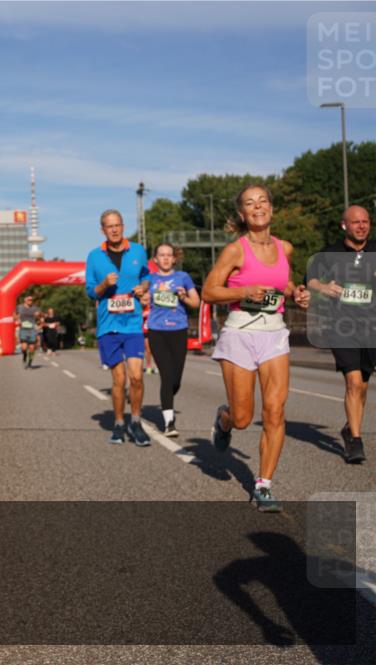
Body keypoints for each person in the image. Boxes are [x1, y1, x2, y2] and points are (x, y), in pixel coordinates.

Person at [203, 183, 310, 512]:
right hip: (239, 335)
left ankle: (263, 485)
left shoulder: (285, 248)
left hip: (274, 334)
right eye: (250, 204)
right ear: (242, 214)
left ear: (271, 208)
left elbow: (283, 282)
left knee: (275, 412)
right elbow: (208, 291)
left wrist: (296, 293)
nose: (258, 207)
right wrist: (244, 291)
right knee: (243, 418)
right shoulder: (236, 250)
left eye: (262, 201)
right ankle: (224, 420)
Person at [306, 205, 374, 464]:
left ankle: (349, 426)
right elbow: (310, 279)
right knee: (354, 383)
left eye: (365, 221)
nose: (361, 226)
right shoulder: (330, 253)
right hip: (342, 326)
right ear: (344, 225)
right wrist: (324, 287)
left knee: (363, 385)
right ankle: (355, 441)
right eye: (356, 222)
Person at [85, 209, 151, 446]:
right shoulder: (94, 256)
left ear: (123, 226)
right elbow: (90, 290)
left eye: (117, 225)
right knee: (119, 379)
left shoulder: (138, 251)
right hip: (108, 325)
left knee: (136, 376)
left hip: (132, 322)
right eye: (109, 226)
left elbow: (146, 276)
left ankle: (136, 421)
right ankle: (119, 423)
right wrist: (104, 284)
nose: (114, 229)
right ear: (103, 230)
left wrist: (143, 287)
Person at [146, 243, 200, 437]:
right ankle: (169, 422)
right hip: (157, 331)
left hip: (178, 330)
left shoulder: (183, 278)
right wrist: (143, 297)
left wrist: (184, 297)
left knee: (176, 380)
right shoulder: (149, 279)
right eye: (162, 255)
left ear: (174, 259)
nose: (166, 258)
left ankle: (167, 396)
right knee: (167, 376)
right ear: (155, 259)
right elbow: (142, 297)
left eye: (169, 255)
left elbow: (196, 302)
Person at [16, 294, 40, 368]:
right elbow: (14, 315)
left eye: (31, 300)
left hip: (32, 329)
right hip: (23, 329)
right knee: (24, 348)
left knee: (32, 348)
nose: (30, 301)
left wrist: (38, 316)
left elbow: (39, 316)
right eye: (29, 300)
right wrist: (17, 319)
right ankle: (25, 356)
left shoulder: (34, 308)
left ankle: (30, 361)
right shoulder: (19, 307)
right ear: (25, 300)